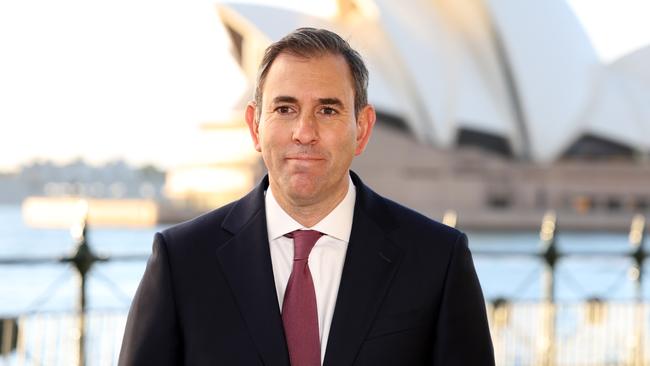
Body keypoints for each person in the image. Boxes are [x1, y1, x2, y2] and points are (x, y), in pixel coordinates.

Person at [118, 27, 494, 366]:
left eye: (327, 110)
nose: (304, 132)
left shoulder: (436, 261)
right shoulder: (183, 261)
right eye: (285, 108)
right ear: (255, 126)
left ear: (361, 129)